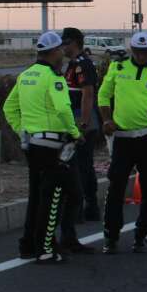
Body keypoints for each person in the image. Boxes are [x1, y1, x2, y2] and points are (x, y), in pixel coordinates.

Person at [2, 31, 81, 264]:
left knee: (37, 195)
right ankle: (45, 247)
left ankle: (28, 244)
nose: (64, 56)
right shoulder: (53, 77)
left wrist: (22, 130)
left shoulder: (26, 75)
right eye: (61, 51)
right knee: (59, 194)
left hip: (33, 145)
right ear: (54, 51)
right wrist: (76, 134)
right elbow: (63, 109)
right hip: (53, 146)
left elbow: (9, 108)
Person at [97, 31, 147, 254]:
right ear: (132, 50)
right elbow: (103, 96)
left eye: (146, 52)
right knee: (116, 187)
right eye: (138, 52)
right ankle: (110, 236)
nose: (142, 56)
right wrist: (106, 119)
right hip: (123, 139)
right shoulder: (118, 67)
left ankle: (142, 233)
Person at [60, 27, 102, 224]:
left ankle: (89, 207)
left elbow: (88, 94)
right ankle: (81, 207)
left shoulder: (83, 64)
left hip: (83, 119)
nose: (63, 46)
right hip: (74, 118)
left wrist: (83, 124)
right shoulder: (72, 64)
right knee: (76, 165)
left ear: (75, 42)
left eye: (66, 42)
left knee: (82, 166)